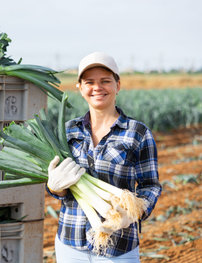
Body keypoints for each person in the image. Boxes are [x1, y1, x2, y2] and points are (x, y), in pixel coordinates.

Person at [46, 52, 162, 262]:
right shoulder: (67, 131)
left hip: (118, 246)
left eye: (105, 81)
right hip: (69, 242)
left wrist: (133, 213)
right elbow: (61, 190)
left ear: (118, 85)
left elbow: (151, 185)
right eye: (89, 82)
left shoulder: (137, 132)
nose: (97, 87)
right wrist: (55, 187)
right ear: (80, 88)